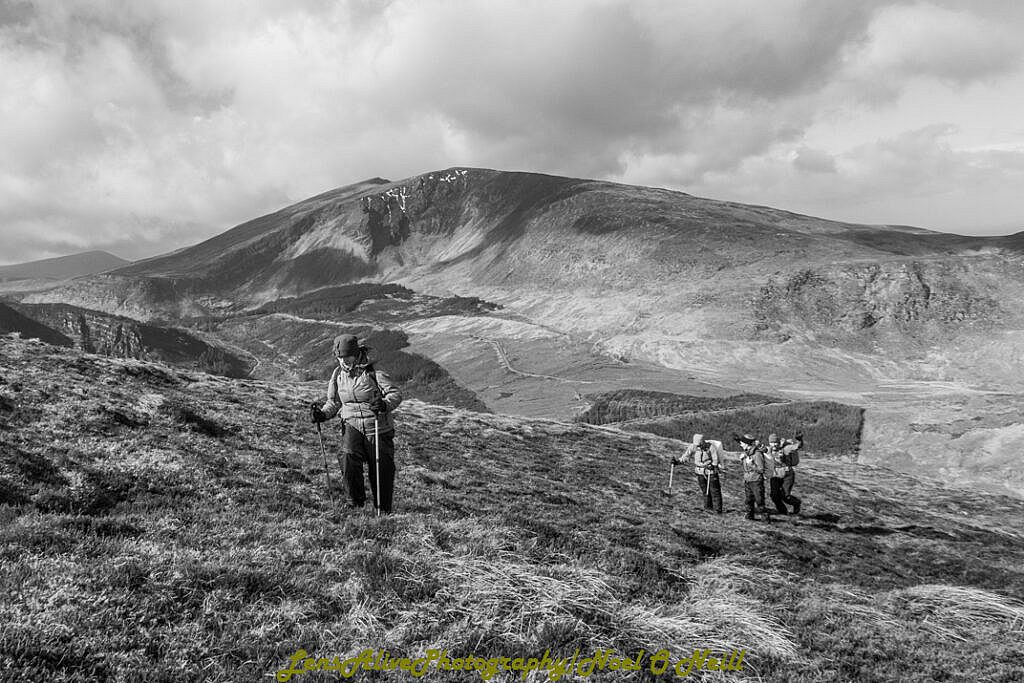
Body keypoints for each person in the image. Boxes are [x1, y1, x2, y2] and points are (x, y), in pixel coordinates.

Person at [310, 334, 403, 513]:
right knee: (348, 460)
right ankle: (355, 504)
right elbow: (335, 402)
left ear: (356, 353)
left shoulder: (374, 371)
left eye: (347, 357)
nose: (343, 362)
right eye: (340, 358)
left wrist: (384, 404)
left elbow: (395, 395)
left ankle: (383, 510)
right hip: (351, 424)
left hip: (377, 426)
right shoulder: (338, 374)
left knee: (381, 468)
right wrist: (322, 414)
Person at [673, 433, 722, 513]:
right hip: (699, 472)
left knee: (715, 491)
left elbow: (715, 458)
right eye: (696, 445)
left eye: (699, 445)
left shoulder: (710, 447)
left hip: (711, 472)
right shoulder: (693, 447)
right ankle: (708, 508)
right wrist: (678, 461)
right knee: (705, 491)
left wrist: (713, 465)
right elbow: (686, 456)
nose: (698, 447)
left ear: (702, 442)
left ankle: (717, 510)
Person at [767, 432, 803, 515]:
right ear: (769, 443)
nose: (774, 444)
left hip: (787, 475)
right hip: (775, 475)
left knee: (785, 496)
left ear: (779, 442)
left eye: (775, 442)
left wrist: (799, 440)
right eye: (772, 442)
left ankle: (796, 503)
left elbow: (797, 446)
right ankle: (783, 512)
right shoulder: (769, 450)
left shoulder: (787, 448)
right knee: (774, 496)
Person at [738, 434, 770, 522]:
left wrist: (750, 464)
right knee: (749, 499)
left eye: (742, 443)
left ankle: (765, 518)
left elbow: (760, 469)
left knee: (759, 500)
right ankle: (750, 516)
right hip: (748, 479)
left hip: (756, 480)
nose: (740, 445)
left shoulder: (757, 454)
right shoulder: (746, 453)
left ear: (746, 444)